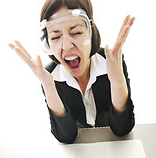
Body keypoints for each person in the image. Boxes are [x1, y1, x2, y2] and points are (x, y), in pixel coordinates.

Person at [9, 0, 135, 144]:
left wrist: (117, 81)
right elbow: (66, 137)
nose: (67, 46)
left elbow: (123, 129)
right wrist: (49, 88)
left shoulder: (111, 62)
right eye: (55, 37)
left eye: (76, 32)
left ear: (91, 32)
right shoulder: (50, 76)